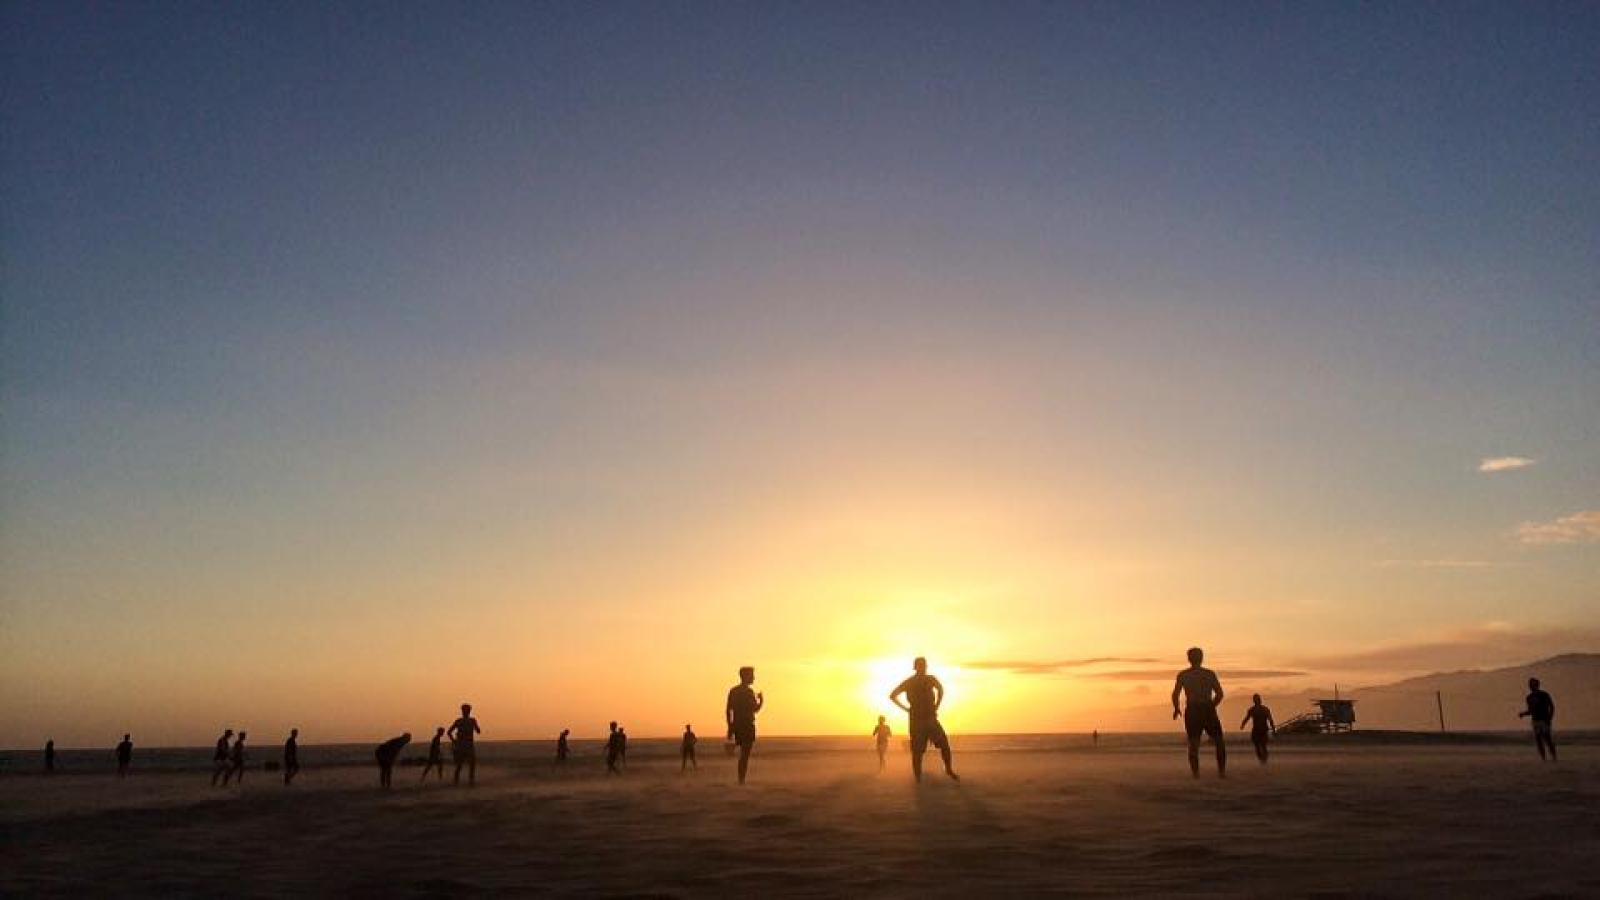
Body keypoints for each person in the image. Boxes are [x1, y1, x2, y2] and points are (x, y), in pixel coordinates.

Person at [890, 657, 959, 783]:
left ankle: (948, 769)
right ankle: (918, 778)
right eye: (920, 665)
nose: (923, 668)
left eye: (924, 665)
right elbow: (892, 695)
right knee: (917, 751)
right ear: (916, 667)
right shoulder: (909, 682)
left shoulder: (930, 679)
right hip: (917, 720)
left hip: (930, 718)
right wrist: (906, 709)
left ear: (926, 666)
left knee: (944, 744)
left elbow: (941, 690)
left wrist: (937, 705)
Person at [1172, 647, 1226, 778]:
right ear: (1201, 658)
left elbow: (1175, 694)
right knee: (1218, 742)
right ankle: (1221, 773)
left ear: (1189, 659)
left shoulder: (1184, 675)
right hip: (1205, 708)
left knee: (1194, 743)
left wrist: (1176, 708)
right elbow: (1219, 694)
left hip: (1193, 709)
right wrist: (1211, 706)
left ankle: (1196, 774)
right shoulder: (1209, 674)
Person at [725, 666, 764, 785]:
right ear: (745, 676)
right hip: (747, 725)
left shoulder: (733, 691)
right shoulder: (748, 692)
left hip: (737, 725)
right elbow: (755, 709)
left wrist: (730, 726)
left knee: (743, 754)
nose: (753, 677)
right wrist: (761, 701)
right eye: (751, 675)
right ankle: (741, 780)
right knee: (745, 755)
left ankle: (740, 779)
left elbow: (728, 710)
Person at [1518, 677, 1557, 761]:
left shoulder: (1544, 695)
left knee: (1547, 739)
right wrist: (1523, 714)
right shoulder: (1529, 697)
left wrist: (1549, 718)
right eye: (1530, 685)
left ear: (1537, 685)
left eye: (1533, 685)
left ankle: (1554, 757)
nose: (1531, 687)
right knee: (1538, 740)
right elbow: (1531, 710)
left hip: (1544, 720)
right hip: (1535, 720)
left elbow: (1551, 706)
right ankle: (1543, 758)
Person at [448, 703, 481, 787]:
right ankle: (463, 781)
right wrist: (454, 741)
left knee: (468, 764)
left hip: (465, 745)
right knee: (464, 764)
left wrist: (454, 741)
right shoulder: (465, 721)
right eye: (466, 710)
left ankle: (466, 781)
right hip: (464, 745)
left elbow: (449, 732)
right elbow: (478, 731)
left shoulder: (464, 721)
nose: (466, 712)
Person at [1240, 694, 1275, 764]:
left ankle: (1264, 759)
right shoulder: (1253, 710)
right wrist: (1243, 724)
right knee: (1258, 746)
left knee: (1262, 746)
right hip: (1257, 730)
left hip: (1262, 730)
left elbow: (1270, 720)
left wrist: (1274, 729)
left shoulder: (1264, 709)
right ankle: (1262, 759)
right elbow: (1247, 718)